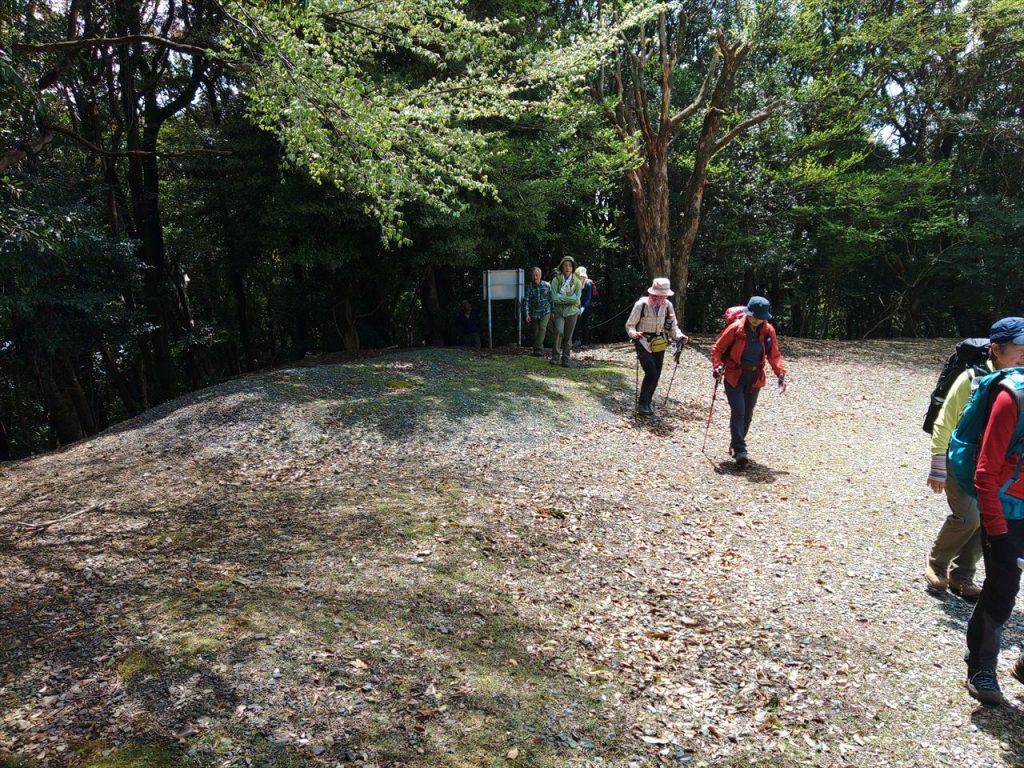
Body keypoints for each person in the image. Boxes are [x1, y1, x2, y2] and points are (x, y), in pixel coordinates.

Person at [925, 318, 1024, 602]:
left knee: (988, 519)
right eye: (1020, 350)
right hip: (962, 461)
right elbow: (944, 421)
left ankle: (963, 574)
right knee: (968, 518)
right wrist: (938, 465)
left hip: (999, 467)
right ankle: (937, 563)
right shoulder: (972, 378)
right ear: (996, 349)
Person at [964, 320, 1024, 705]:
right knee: (1002, 590)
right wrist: (998, 531)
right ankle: (981, 666)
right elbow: (985, 472)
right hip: (1007, 510)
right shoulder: (1011, 397)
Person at [710, 295, 786, 467]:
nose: (756, 320)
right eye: (753, 316)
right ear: (748, 313)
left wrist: (780, 373)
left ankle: (737, 443)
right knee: (739, 411)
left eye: (760, 317)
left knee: (747, 414)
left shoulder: (768, 330)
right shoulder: (735, 328)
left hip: (754, 377)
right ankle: (740, 450)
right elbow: (717, 349)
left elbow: (774, 355)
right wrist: (717, 366)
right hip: (734, 375)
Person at [625, 277, 687, 416]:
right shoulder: (641, 305)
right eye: (658, 294)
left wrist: (680, 336)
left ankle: (648, 402)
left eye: (664, 295)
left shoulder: (668, 306)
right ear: (652, 293)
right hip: (643, 341)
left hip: (660, 343)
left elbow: (673, 328)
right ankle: (642, 403)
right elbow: (630, 325)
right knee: (651, 372)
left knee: (657, 375)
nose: (661, 297)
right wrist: (634, 334)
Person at [549, 257, 582, 367]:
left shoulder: (577, 282)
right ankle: (555, 356)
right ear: (561, 267)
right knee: (558, 331)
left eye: (570, 266)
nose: (568, 267)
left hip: (572, 312)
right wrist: (569, 299)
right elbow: (554, 298)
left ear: (573, 268)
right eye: (565, 265)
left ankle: (566, 358)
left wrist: (561, 298)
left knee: (568, 336)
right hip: (559, 311)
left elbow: (576, 300)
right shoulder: (556, 280)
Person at [523, 267, 552, 357]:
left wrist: (553, 311)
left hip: (545, 311)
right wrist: (527, 313)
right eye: (533, 275)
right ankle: (538, 351)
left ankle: (538, 347)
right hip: (534, 312)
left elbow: (551, 299)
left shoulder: (547, 285)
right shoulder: (529, 287)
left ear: (540, 275)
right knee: (535, 332)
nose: (535, 277)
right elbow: (526, 301)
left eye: (537, 275)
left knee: (542, 328)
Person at [574, 266, 594, 351]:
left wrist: (582, 308)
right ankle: (574, 341)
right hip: (576, 305)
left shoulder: (588, 284)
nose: (581, 278)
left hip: (586, 305)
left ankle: (584, 343)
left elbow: (588, 299)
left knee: (585, 323)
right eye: (580, 276)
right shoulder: (573, 284)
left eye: (583, 277)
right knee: (574, 323)